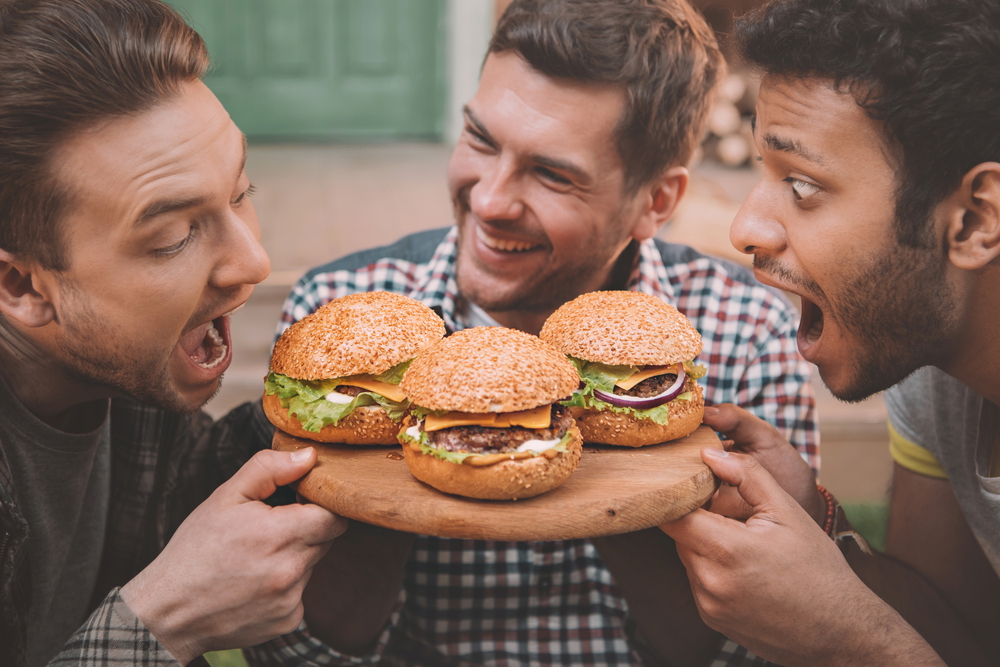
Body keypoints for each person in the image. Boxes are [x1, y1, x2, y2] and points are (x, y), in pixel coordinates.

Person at [247, 1, 818, 665]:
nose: (488, 200)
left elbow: (762, 650)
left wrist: (608, 452)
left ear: (654, 201)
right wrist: (416, 423)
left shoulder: (747, 328)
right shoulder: (339, 316)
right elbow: (290, 650)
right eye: (481, 140)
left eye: (552, 173)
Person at [0, 2, 347, 665]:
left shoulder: (127, 377)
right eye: (173, 236)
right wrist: (163, 620)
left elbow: (187, 483)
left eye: (241, 190)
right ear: (22, 287)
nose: (254, 262)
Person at [660, 0, 1000, 665]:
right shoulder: (931, 371)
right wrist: (820, 524)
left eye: (805, 185)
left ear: (972, 221)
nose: (744, 229)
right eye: (763, 169)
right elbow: (963, 632)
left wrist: (854, 645)